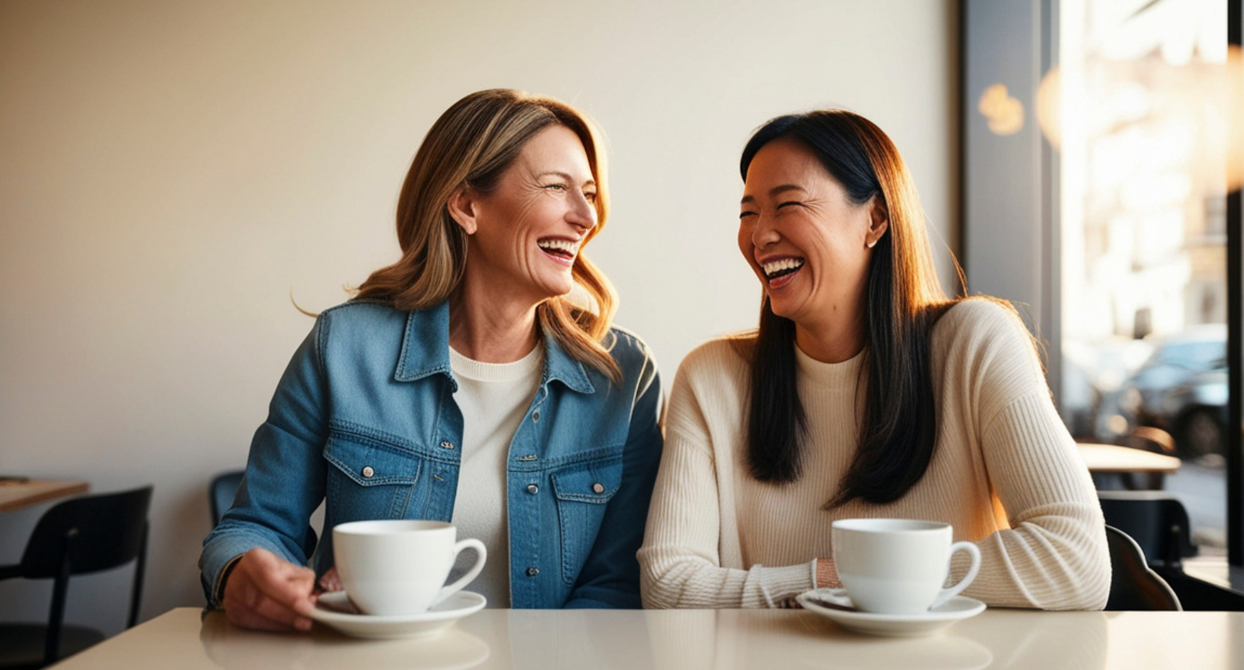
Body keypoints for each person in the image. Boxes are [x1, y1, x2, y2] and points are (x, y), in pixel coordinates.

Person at [201, 89, 663, 630]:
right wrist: (241, 573)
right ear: (467, 205)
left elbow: (615, 586)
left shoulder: (623, 374)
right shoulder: (344, 348)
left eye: (588, 193)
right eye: (557, 187)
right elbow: (254, 526)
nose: (587, 216)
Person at [638, 109, 1109, 610]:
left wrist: (858, 576)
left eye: (787, 204)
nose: (759, 236)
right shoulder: (713, 378)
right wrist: (843, 577)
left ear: (875, 220)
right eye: (748, 212)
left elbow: (1075, 561)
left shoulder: (974, 344)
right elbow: (669, 586)